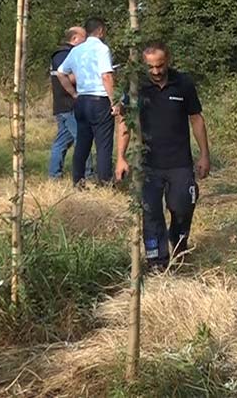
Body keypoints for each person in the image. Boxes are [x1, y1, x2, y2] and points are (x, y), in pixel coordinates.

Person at [116, 41, 211, 271]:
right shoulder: (136, 87)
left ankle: (179, 241)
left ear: (168, 60)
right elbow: (124, 122)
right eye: (151, 67)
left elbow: (196, 119)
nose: (156, 72)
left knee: (183, 206)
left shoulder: (183, 83)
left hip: (179, 162)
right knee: (151, 213)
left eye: (160, 66)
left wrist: (204, 155)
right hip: (147, 163)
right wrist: (121, 156)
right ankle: (157, 261)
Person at [56, 17, 117, 188]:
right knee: (103, 144)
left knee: (82, 142)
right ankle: (104, 182)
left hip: (82, 100)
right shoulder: (102, 49)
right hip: (100, 99)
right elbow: (106, 76)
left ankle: (78, 180)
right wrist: (114, 101)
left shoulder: (76, 51)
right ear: (100, 31)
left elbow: (61, 73)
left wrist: (73, 93)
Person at [48, 26, 90, 180]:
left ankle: (54, 175)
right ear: (75, 38)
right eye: (84, 38)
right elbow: (65, 76)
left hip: (65, 105)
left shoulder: (62, 55)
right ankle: (87, 175)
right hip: (68, 105)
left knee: (62, 141)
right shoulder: (64, 55)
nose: (86, 43)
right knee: (82, 139)